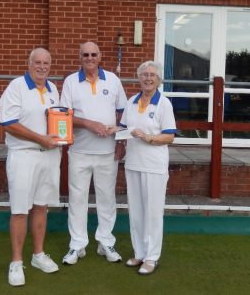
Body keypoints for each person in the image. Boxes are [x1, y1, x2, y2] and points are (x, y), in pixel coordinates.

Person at [60, 41, 127, 265]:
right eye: (85, 54)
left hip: (108, 152)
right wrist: (89, 124)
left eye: (93, 54)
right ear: (80, 57)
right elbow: (64, 116)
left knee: (107, 198)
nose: (89, 58)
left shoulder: (113, 80)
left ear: (100, 57)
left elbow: (122, 114)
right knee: (77, 199)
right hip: (79, 151)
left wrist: (120, 142)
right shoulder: (71, 81)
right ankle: (77, 245)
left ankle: (105, 241)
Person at [0, 48, 61, 286]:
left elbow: (59, 119)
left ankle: (38, 255)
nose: (42, 66)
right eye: (38, 62)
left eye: (46, 62)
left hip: (49, 155)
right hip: (23, 156)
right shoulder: (16, 87)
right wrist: (40, 138)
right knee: (19, 210)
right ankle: (16, 262)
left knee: (41, 207)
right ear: (29, 63)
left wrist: (57, 139)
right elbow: (8, 123)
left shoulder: (53, 88)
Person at [120, 61, 177, 275]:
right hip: (133, 163)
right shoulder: (131, 102)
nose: (148, 78)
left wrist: (148, 137)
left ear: (158, 79)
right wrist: (111, 129)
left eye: (152, 75)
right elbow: (124, 129)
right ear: (139, 78)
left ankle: (152, 257)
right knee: (136, 211)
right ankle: (139, 253)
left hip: (154, 165)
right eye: (144, 75)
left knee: (152, 213)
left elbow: (170, 136)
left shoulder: (164, 104)